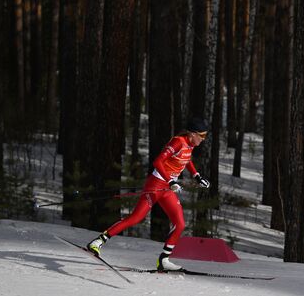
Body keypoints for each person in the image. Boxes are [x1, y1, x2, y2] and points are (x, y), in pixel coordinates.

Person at [86, 117, 211, 272]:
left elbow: (186, 160)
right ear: (192, 134)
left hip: (167, 190)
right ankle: (98, 241)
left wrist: (197, 176)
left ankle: (164, 260)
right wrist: (171, 182)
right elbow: (158, 162)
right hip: (156, 184)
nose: (203, 139)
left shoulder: (190, 144)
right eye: (202, 135)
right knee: (136, 218)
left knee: (180, 224)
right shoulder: (178, 142)